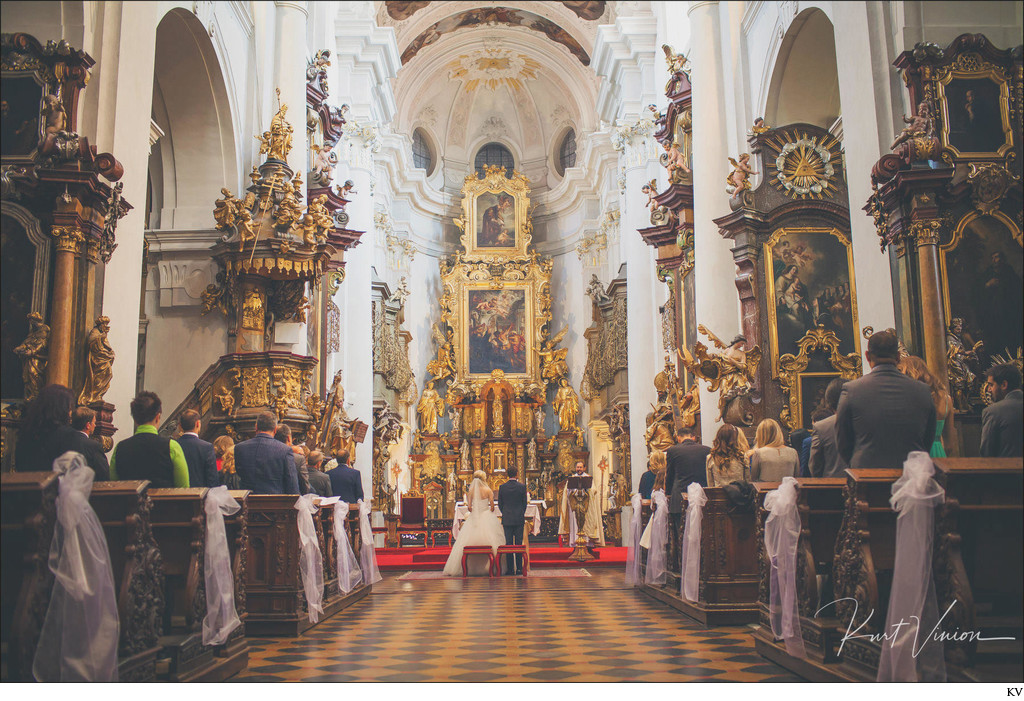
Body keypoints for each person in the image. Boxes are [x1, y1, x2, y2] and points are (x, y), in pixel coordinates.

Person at [836, 330, 936, 470]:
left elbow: (842, 441)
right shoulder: (923, 390)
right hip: (911, 476)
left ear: (867, 356)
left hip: (867, 475)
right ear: (898, 356)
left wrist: (856, 463)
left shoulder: (852, 390)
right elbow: (927, 438)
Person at [110, 391, 189, 487]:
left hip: (130, 502)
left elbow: (114, 484)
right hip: (164, 502)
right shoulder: (172, 446)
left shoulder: (120, 448)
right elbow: (183, 488)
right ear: (157, 417)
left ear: (134, 418)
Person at [443, 470, 506, 576]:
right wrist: (486, 510)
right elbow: (492, 506)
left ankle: (468, 568)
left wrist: (476, 511)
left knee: (466, 543)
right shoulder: (488, 490)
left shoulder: (471, 490)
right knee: (493, 542)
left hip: (474, 519)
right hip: (487, 516)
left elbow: (469, 507)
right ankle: (493, 568)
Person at [898, 355, 955, 457]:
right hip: (938, 453)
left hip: (916, 452)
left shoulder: (909, 398)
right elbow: (949, 445)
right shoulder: (946, 399)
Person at [234, 411, 300, 494]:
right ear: (275, 429)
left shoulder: (240, 448)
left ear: (256, 427)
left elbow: (239, 474)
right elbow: (292, 483)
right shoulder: (284, 450)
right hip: (275, 502)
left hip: (248, 501)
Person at [557, 460, 606, 547]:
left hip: (586, 506)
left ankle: (587, 543)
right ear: (575, 468)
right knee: (575, 524)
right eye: (577, 467)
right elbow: (567, 492)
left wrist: (583, 492)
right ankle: (575, 543)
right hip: (574, 506)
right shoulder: (571, 479)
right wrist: (574, 492)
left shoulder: (588, 478)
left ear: (584, 468)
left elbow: (593, 491)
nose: (579, 469)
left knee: (585, 523)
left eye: (580, 467)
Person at [809, 378, 849, 478]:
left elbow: (814, 466)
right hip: (862, 487)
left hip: (831, 486)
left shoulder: (821, 427)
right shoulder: (864, 421)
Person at [980, 363, 1023, 458]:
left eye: (991, 385)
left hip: (1007, 470)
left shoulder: (993, 412)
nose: (989, 390)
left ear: (1004, 385)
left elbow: (987, 452)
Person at [666, 426, 710, 516]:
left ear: (678, 438)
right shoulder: (707, 450)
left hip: (679, 496)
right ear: (693, 437)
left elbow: (670, 475)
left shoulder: (672, 450)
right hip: (701, 497)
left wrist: (668, 494)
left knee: (680, 527)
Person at [497, 465, 528, 574]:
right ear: (517, 474)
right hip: (519, 518)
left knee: (508, 544)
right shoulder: (522, 487)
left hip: (507, 519)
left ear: (507, 475)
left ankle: (510, 569)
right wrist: (520, 513)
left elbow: (500, 504)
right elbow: (525, 504)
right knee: (519, 544)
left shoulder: (502, 487)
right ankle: (519, 568)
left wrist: (505, 513)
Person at [176, 409, 219, 487]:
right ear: (198, 424)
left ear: (180, 426)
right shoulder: (206, 447)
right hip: (200, 495)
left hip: (177, 494)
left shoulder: (174, 445)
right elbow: (212, 479)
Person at [67, 406, 111, 481]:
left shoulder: (64, 442)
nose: (95, 425)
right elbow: (103, 474)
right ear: (88, 425)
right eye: (94, 422)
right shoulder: (94, 446)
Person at [274, 423, 311, 494]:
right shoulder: (298, 459)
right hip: (289, 501)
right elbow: (305, 486)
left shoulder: (266, 453)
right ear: (288, 438)